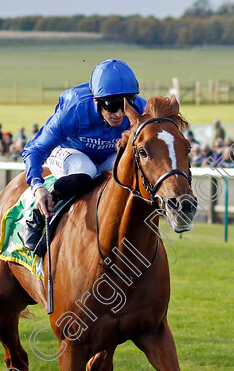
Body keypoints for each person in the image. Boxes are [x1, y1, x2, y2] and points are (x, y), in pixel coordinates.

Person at [19, 59, 147, 253]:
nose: (120, 114)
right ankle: (36, 217)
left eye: (126, 104)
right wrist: (37, 187)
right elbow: (34, 150)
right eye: (112, 106)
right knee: (85, 170)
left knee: (132, 166)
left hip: (108, 155)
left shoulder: (140, 109)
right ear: (96, 100)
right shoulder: (74, 109)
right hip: (70, 152)